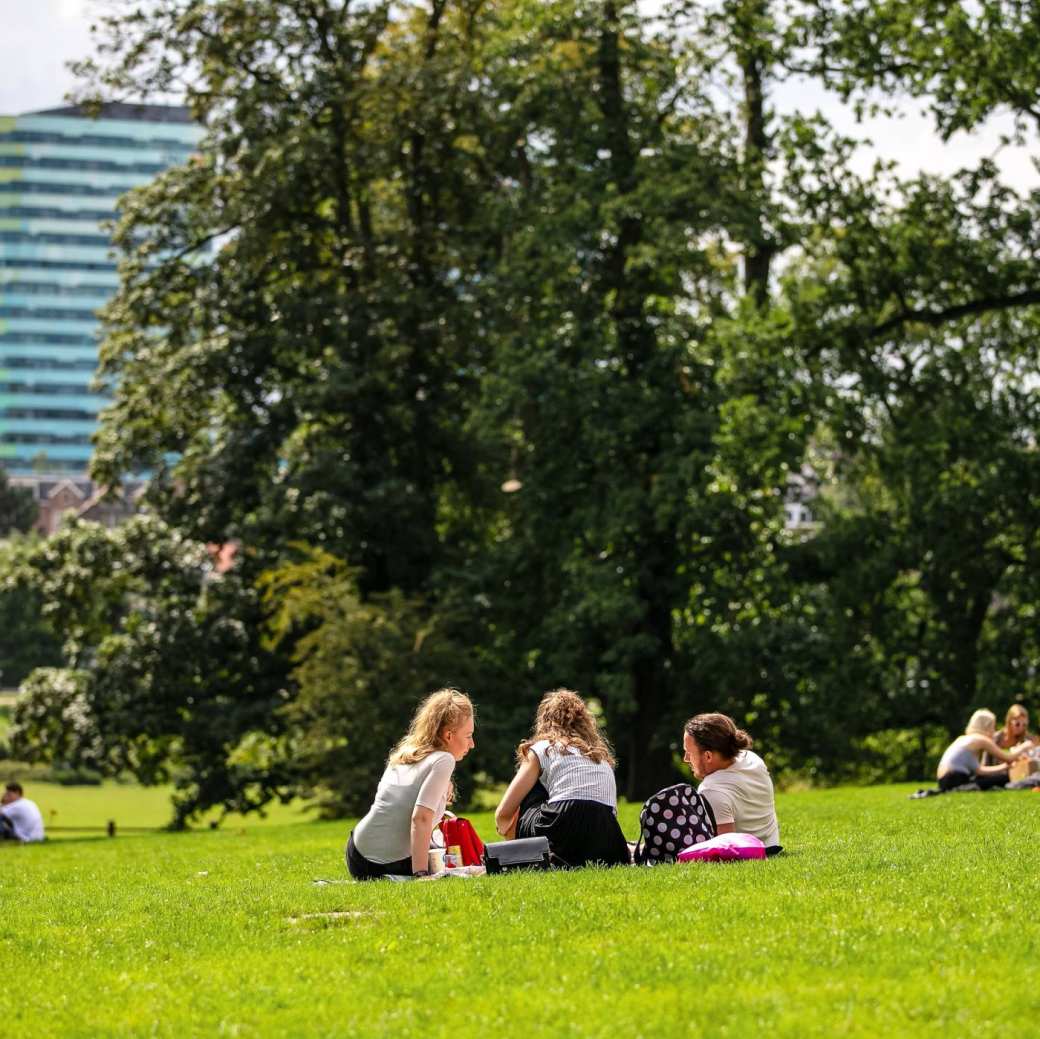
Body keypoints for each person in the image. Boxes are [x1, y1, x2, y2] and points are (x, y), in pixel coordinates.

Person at [346, 688, 474, 881]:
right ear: (448, 735)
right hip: (385, 863)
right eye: (468, 735)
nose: (472, 744)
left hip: (357, 854)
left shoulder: (406, 753)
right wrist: (421, 875)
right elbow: (420, 819)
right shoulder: (444, 760)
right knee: (468, 867)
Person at [494, 688, 630, 868]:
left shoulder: (543, 748)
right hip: (606, 834)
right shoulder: (601, 758)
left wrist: (506, 831)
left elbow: (503, 813)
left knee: (532, 784)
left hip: (560, 824)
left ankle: (525, 854)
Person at [682, 712, 781, 854]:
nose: (686, 759)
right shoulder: (752, 759)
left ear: (708, 756)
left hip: (750, 854)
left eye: (689, 753)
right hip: (772, 847)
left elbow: (725, 849)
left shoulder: (711, 790)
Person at [936, 708, 1030, 791]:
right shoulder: (981, 739)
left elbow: (980, 770)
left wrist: (1006, 767)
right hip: (955, 778)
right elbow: (1008, 757)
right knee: (1004, 778)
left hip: (944, 781)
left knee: (990, 779)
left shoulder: (963, 738)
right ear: (987, 726)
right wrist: (1024, 747)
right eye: (993, 727)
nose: (994, 731)